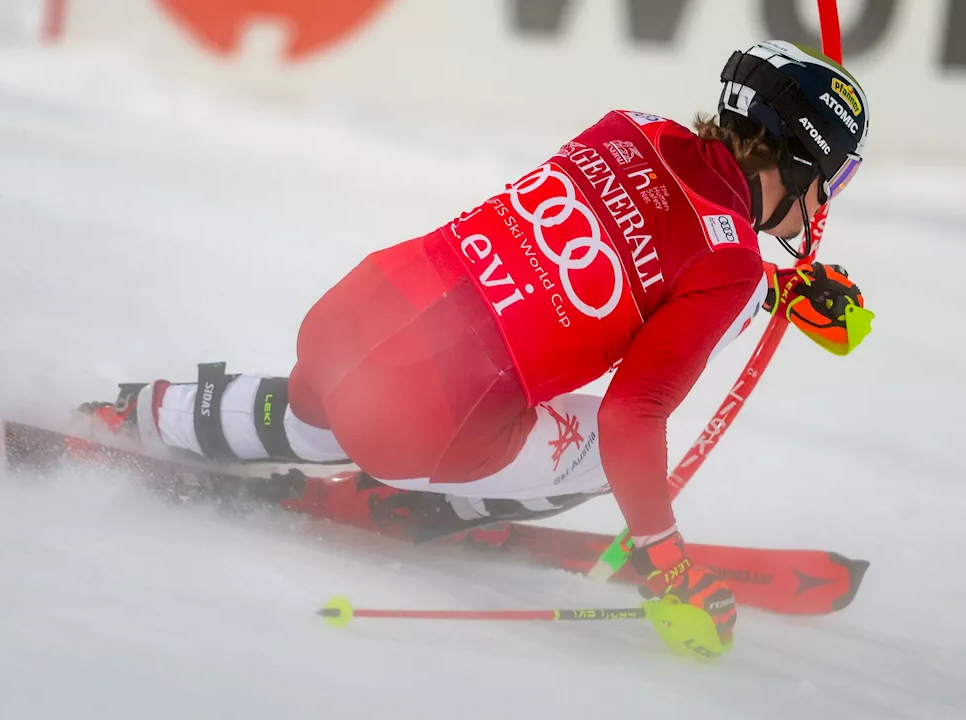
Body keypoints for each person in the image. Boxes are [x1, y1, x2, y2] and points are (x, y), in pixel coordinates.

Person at [83, 40, 874, 655]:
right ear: (798, 158)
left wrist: (772, 290)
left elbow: (662, 237)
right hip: (420, 428)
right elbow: (636, 412)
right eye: (828, 181)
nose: (820, 204)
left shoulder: (629, 128)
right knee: (608, 444)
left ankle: (153, 412)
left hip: (347, 320)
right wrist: (670, 571)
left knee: (354, 387)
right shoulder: (730, 263)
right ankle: (407, 497)